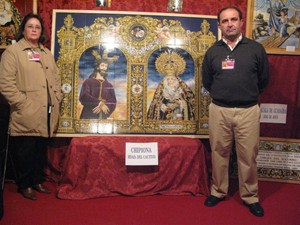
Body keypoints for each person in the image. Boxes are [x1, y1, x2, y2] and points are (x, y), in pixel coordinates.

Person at [202, 6, 269, 217]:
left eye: (233, 19)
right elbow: (207, 81)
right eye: (225, 21)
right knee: (218, 152)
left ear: (241, 22)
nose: (229, 24)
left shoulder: (256, 49)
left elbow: (264, 80)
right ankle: (218, 191)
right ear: (220, 25)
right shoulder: (213, 51)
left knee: (248, 156)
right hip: (219, 110)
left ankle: (250, 196)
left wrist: (245, 95)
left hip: (248, 111)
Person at [0, 13, 62, 200]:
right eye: (30, 26)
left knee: (39, 150)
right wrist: (22, 103)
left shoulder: (45, 53)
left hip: (47, 111)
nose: (34, 29)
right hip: (26, 111)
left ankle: (36, 180)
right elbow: (5, 84)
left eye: (37, 27)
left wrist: (57, 97)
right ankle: (24, 184)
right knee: (25, 150)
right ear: (23, 29)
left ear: (41, 31)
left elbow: (56, 79)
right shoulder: (14, 52)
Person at [147, 50, 195, 120]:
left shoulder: (181, 88)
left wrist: (180, 103)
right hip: (164, 113)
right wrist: (163, 106)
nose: (170, 81)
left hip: (178, 112)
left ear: (176, 80)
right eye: (168, 79)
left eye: (172, 79)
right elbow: (156, 102)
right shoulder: (162, 88)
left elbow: (190, 101)